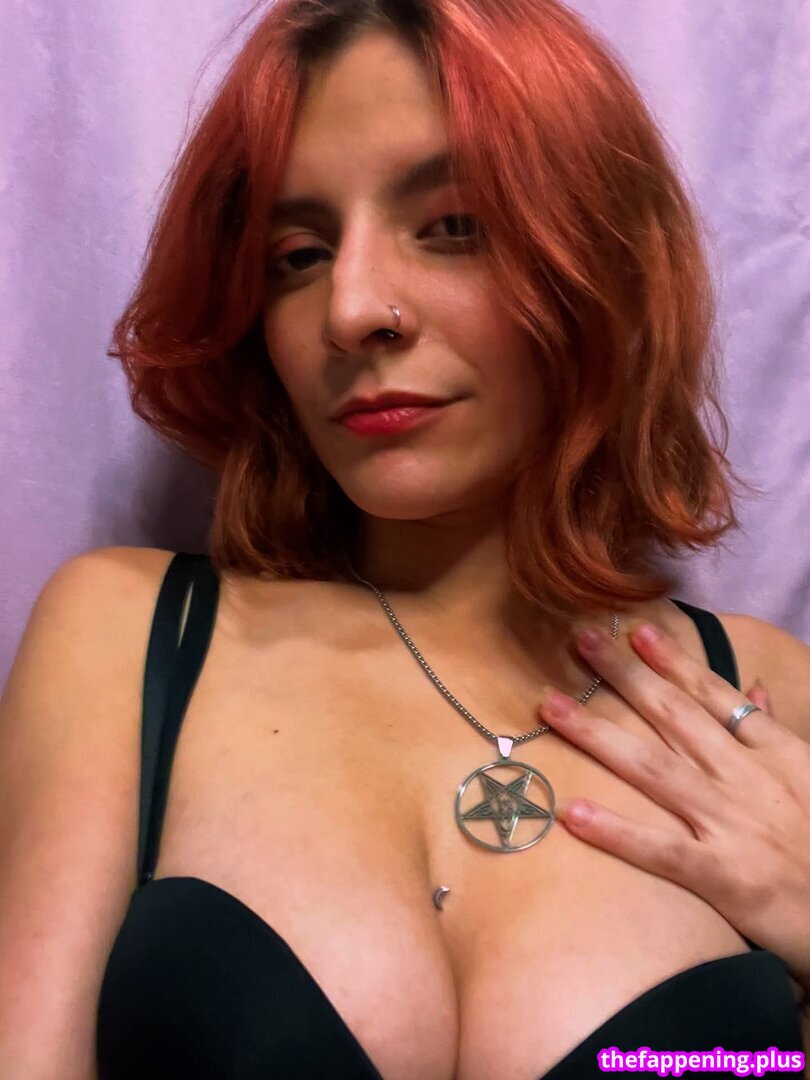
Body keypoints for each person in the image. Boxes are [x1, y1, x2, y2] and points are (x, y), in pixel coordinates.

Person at [1, 0, 808, 1076]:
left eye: (454, 227)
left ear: (601, 258)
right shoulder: (127, 637)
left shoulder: (763, 699)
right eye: (298, 254)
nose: (352, 309)